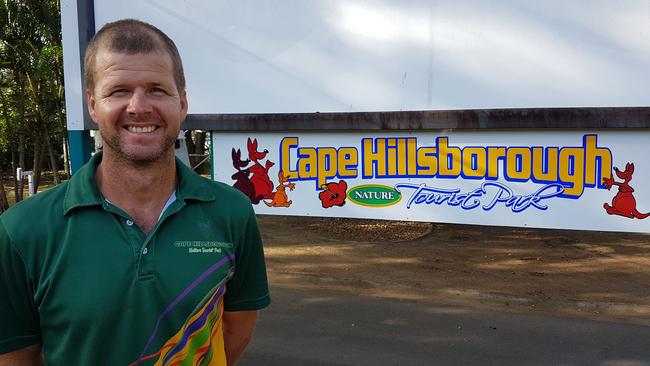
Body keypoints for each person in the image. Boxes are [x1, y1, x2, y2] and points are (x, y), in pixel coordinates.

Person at [0, 19, 270, 365]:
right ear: (93, 104)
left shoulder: (232, 212)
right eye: (119, 90)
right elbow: (17, 356)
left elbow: (236, 330)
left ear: (182, 103)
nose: (139, 106)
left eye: (157, 89)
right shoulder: (23, 229)